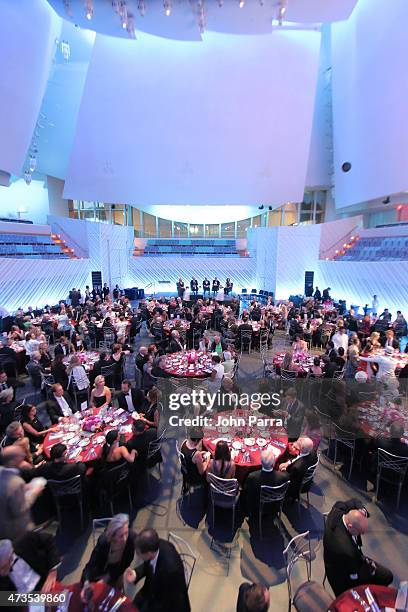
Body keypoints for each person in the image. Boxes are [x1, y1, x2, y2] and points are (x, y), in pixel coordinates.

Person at [323, 498, 393, 597]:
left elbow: (354, 501)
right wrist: (371, 572)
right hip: (341, 575)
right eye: (360, 532)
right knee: (386, 577)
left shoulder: (338, 510)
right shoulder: (347, 550)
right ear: (350, 526)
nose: (361, 535)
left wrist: (362, 510)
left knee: (387, 575)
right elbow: (355, 578)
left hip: (347, 560)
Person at [124, 528, 191, 612]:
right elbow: (149, 563)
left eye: (138, 553)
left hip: (167, 604)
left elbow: (166, 602)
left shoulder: (170, 571)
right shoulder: (155, 545)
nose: (137, 556)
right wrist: (136, 573)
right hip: (152, 591)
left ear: (149, 553)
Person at [0, 446, 45, 541]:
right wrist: (35, 491)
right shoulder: (15, 482)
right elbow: (21, 508)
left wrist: (24, 488)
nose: (24, 456)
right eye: (20, 457)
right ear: (12, 461)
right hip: (17, 529)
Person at [81, 513, 134, 589]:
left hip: (118, 571)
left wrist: (107, 577)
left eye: (126, 533)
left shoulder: (131, 539)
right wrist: (86, 583)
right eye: (121, 536)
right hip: (100, 571)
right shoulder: (104, 541)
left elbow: (126, 563)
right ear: (113, 536)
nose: (125, 538)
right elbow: (90, 565)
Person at [243, 448, 289, 519]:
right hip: (275, 505)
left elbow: (246, 491)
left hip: (257, 507)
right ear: (273, 463)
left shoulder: (252, 477)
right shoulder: (284, 476)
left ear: (261, 462)